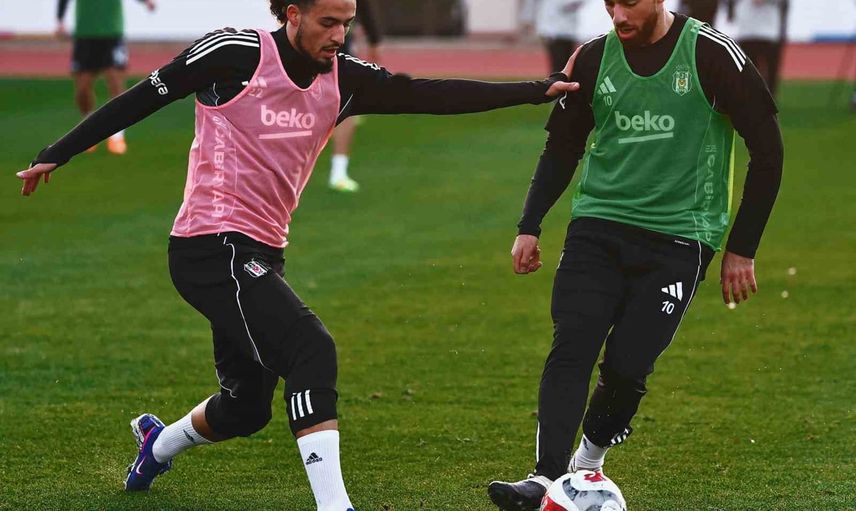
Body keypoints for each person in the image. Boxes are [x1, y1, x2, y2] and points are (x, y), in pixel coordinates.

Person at [16, 1, 579, 509]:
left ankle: (157, 444)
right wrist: (58, 152)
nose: (339, 35)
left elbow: (430, 95)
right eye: (328, 22)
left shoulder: (345, 79)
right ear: (292, 14)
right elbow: (145, 95)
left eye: (347, 23)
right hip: (209, 245)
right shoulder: (234, 53)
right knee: (312, 348)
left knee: (246, 408)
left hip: (262, 251)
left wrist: (535, 90)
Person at [486, 0, 783, 509]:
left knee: (628, 365)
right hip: (598, 224)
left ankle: (587, 463)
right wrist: (529, 225)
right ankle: (546, 477)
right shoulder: (593, 58)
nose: (618, 15)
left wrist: (742, 248)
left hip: (681, 237)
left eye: (630, 3)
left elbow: (769, 151)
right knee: (573, 342)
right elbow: (562, 146)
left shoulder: (712, 54)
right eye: (610, 3)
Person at [55, 0, 156, 155]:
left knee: (115, 83)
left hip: (111, 32)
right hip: (85, 33)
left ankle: (117, 135)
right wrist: (60, 20)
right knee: (82, 88)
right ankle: (88, 131)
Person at [328, 0, 383, 192]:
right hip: (309, 38)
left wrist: (373, 38)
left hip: (332, 40)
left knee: (346, 104)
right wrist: (374, 39)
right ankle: (338, 172)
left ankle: (338, 172)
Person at [727, 0, 789, 97]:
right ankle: (751, 99)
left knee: (770, 73)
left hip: (768, 32)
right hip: (748, 32)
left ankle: (768, 100)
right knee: (748, 73)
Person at [520, 0, 586, 73]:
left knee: (566, 63)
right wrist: (527, 19)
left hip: (567, 30)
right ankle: (557, 78)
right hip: (552, 30)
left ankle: (560, 78)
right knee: (559, 63)